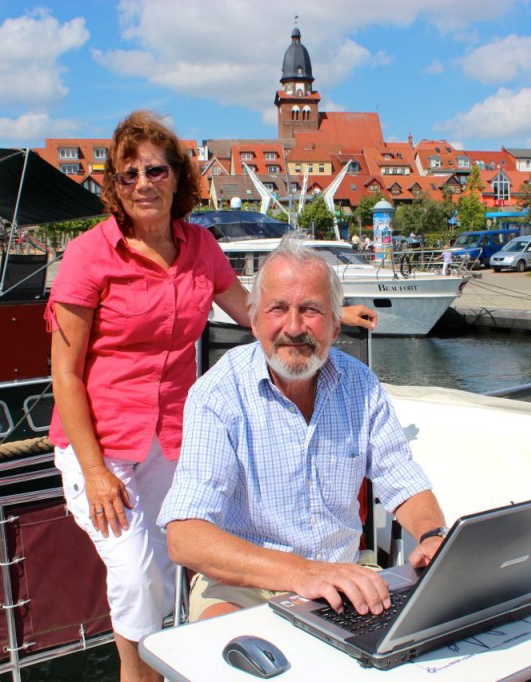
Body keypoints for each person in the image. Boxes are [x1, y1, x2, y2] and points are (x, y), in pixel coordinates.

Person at [47, 111, 376, 682]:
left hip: (173, 435)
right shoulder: (89, 257)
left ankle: (174, 664)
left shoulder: (198, 246)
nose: (143, 183)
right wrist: (95, 470)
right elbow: (65, 375)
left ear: (177, 178)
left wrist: (322, 315)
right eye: (128, 175)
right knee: (133, 574)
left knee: (178, 559)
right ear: (115, 187)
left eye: (155, 170)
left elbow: (251, 310)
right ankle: (138, 675)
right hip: (101, 442)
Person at [159, 237, 447, 622]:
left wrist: (431, 535)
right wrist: (303, 572)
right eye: (278, 308)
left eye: (310, 310)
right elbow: (186, 537)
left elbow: (401, 478)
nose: (293, 327)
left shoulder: (360, 386)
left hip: (344, 575)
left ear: (334, 323)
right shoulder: (218, 394)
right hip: (245, 584)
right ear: (255, 318)